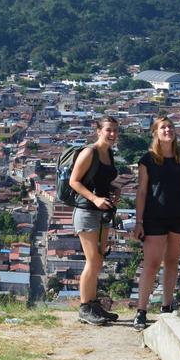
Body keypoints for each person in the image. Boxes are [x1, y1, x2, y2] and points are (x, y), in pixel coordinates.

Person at [131, 115, 180, 330]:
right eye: (163, 127)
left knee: (172, 262)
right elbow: (141, 192)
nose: (167, 130)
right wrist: (138, 221)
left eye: (170, 127)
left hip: (179, 215)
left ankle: (167, 306)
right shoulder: (148, 160)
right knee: (151, 264)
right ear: (155, 133)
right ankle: (141, 310)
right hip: (154, 216)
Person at [66, 116, 121, 325]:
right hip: (87, 211)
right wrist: (95, 198)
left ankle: (93, 304)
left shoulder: (108, 153)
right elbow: (74, 181)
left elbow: (101, 180)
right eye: (108, 130)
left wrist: (114, 190)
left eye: (115, 130)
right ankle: (85, 307)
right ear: (98, 131)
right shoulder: (90, 152)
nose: (113, 134)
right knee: (93, 260)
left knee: (98, 260)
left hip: (103, 212)